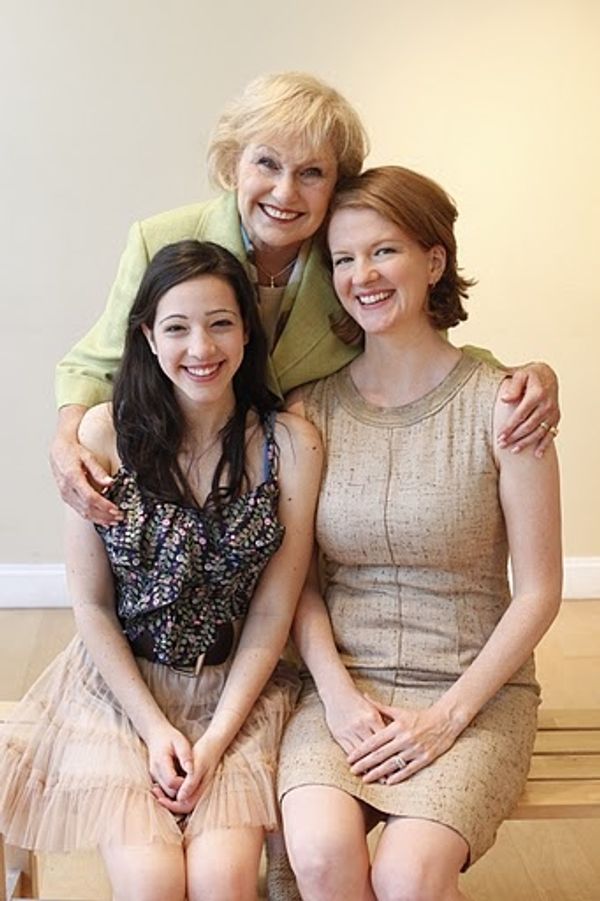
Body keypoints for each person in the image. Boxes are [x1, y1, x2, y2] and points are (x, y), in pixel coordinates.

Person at [50, 72, 560, 530]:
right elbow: (95, 366)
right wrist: (67, 439)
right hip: (186, 480)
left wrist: (522, 375)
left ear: (336, 184)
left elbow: (417, 348)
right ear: (233, 164)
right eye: (267, 163)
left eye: (312, 173)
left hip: (295, 487)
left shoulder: (350, 262)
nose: (285, 191)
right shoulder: (160, 240)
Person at [0, 240, 322, 901]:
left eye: (221, 323)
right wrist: (155, 729)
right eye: (176, 327)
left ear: (246, 331)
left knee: (223, 879)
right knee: (151, 883)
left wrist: (211, 742)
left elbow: (272, 611)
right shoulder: (102, 434)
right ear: (147, 335)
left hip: (237, 690)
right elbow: (89, 604)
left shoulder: (290, 442)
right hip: (118, 695)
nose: (200, 347)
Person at [278, 166, 562, 901]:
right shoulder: (312, 410)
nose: (361, 275)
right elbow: (298, 582)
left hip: (473, 695)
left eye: (384, 252)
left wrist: (446, 718)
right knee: (315, 854)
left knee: (407, 877)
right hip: (344, 691)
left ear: (434, 261)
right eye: (343, 258)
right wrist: (337, 697)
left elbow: (539, 591)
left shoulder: (506, 405)